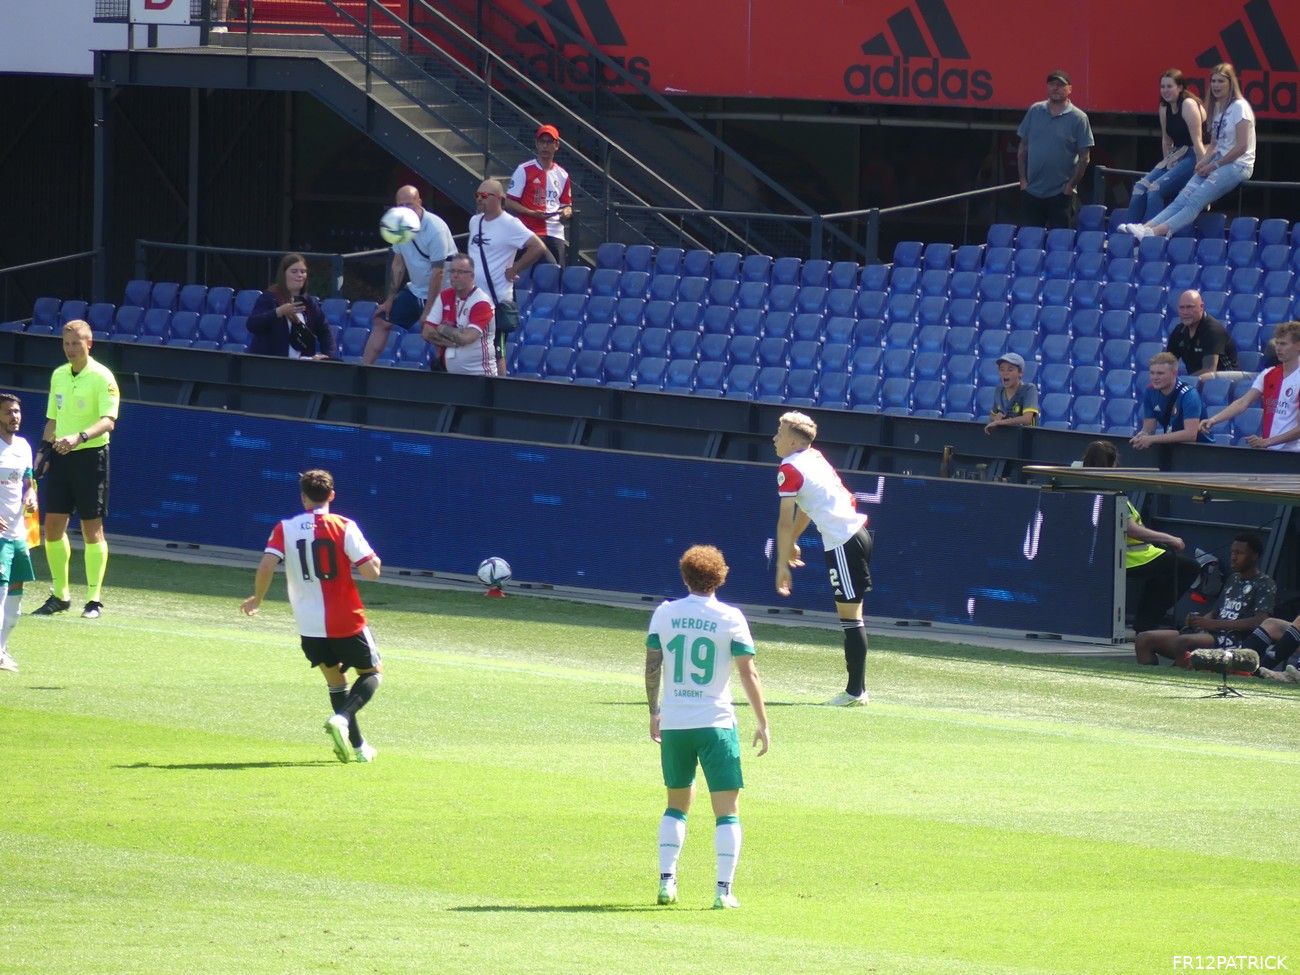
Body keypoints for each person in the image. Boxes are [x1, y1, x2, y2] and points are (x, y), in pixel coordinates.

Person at [645, 544, 769, 910]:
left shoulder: (665, 613)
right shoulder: (731, 617)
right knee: (727, 810)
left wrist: (654, 711)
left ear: (685, 576)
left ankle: (667, 882)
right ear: (721, 576)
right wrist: (763, 722)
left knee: (676, 805)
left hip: (676, 723)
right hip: (716, 723)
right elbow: (749, 671)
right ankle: (722, 890)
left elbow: (652, 666)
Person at [240, 469, 384, 764]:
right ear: (331, 495)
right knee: (373, 674)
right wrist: (374, 562)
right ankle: (342, 719)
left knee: (336, 682)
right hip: (346, 618)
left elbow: (267, 564)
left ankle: (357, 748)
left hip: (309, 624)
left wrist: (258, 598)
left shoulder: (285, 527)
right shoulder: (344, 525)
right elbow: (371, 573)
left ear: (303, 497)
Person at [772, 411, 873, 705]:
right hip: (856, 536)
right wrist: (792, 542)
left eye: (779, 433)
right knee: (853, 617)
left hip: (843, 542)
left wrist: (781, 563)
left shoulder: (788, 468)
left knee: (851, 619)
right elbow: (807, 507)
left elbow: (784, 520)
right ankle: (857, 690)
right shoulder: (813, 457)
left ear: (792, 441)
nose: (774, 439)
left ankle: (856, 692)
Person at [32, 320, 119, 620]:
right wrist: (43, 452)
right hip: (61, 457)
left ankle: (94, 599)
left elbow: (109, 421)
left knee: (91, 528)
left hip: (91, 457)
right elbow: (52, 421)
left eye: (76, 343)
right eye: (66, 344)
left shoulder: (102, 377)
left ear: (89, 343)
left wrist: (80, 436)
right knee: (52, 527)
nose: (70, 349)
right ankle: (60, 595)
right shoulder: (58, 375)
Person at [1119, 63, 1254, 240]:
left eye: (1221, 81)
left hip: (1238, 165)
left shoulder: (1239, 106)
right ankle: (1145, 227)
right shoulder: (1218, 109)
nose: (1216, 85)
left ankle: (1154, 233)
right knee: (1181, 199)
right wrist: (1203, 163)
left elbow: (1242, 146)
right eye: (1213, 81)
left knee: (1193, 201)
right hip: (1215, 162)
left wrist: (1214, 164)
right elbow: (1213, 144)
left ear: (1231, 83)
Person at [1080, 441, 1199, 633]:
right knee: (1189, 567)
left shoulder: (1078, 485)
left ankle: (1145, 625)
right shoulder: (1110, 492)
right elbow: (1131, 529)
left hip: (1113, 556)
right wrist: (1170, 539)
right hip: (1128, 559)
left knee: (1162, 574)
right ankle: (1146, 624)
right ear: (1112, 465)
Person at [1133, 533, 1274, 666]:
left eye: (1239, 553)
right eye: (1232, 552)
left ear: (1254, 556)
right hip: (1210, 634)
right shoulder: (1233, 579)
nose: (1233, 557)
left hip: (1234, 641)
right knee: (1143, 639)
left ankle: (1184, 677)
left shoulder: (1264, 583)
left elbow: (1260, 621)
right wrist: (1198, 622)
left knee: (1183, 643)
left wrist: (1212, 624)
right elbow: (1216, 611)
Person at [368, 185, 456, 365]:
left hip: (441, 293)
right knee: (381, 321)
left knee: (430, 332)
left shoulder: (435, 228)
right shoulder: (398, 225)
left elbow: (438, 272)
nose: (405, 210)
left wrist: (429, 310)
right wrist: (390, 299)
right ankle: (363, 370)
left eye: (410, 205)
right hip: (415, 290)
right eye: (401, 206)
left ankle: (456, 361)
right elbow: (398, 264)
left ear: (419, 203)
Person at [468, 179, 549, 375]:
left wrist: (515, 269)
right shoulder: (474, 221)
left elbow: (538, 246)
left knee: (497, 351)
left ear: (500, 199)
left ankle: (500, 392)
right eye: (477, 195)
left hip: (496, 300)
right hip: (471, 298)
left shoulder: (510, 224)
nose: (479, 199)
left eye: (484, 196)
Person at [1121, 69, 1207, 224]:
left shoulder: (1188, 104)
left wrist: (1203, 174)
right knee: (1140, 188)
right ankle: (1130, 234)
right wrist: (1168, 164)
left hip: (1194, 154)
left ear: (1180, 87)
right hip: (1176, 154)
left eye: (1169, 86)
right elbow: (1166, 140)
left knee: (1156, 189)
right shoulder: (1164, 107)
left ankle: (1151, 235)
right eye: (1163, 87)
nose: (1165, 90)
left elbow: (1198, 141)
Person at [1200, 320, 1300, 451]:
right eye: (1277, 343)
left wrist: (1267, 442)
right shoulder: (1268, 374)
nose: (1278, 348)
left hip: (1294, 454)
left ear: (1298, 346)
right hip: (1271, 452)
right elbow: (1242, 402)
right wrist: (1214, 420)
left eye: (1284, 344)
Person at [1016, 70, 1094, 229]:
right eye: (1052, 84)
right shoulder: (1035, 110)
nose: (1056, 88)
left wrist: (1070, 186)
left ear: (1070, 89)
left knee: (1060, 244)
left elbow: (1085, 157)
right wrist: (1023, 181)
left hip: (1061, 194)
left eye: (1060, 85)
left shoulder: (1079, 118)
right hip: (1032, 192)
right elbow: (1023, 147)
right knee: (1029, 243)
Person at [0, 393, 38, 672]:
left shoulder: (24, 446)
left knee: (15, 598)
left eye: (17, 412)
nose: (15, 417)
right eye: (8, 412)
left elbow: (28, 481)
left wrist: (32, 493)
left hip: (17, 533)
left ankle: (1, 651)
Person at [506, 124, 573, 266]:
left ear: (556, 145)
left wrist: (567, 212)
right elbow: (509, 202)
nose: (545, 146)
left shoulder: (563, 174)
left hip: (555, 231)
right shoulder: (524, 169)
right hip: (530, 230)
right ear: (536, 144)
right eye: (542, 142)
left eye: (549, 142)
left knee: (558, 275)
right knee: (550, 268)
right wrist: (530, 212)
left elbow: (566, 204)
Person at [246, 253, 335, 360]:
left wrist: (328, 356)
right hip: (270, 365)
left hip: (301, 367)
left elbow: (325, 331)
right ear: (283, 274)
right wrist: (278, 312)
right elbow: (252, 324)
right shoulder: (269, 298)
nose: (300, 275)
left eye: (303, 272)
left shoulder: (309, 302)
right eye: (294, 271)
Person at [423, 254, 497, 376]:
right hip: (449, 375)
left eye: (461, 272)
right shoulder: (445, 296)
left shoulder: (481, 302)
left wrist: (441, 328)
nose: (455, 275)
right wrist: (451, 342)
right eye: (452, 271)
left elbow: (466, 338)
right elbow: (426, 332)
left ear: (472, 276)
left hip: (479, 375)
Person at [1131, 351, 1211, 449]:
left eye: (1160, 373)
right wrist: (1143, 435)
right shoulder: (1150, 391)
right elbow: (1149, 428)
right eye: (1152, 373)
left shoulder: (1189, 395)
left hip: (1200, 451)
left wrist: (1151, 439)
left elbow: (1190, 435)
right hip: (1172, 448)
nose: (1155, 378)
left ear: (1174, 373)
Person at [1165, 290, 1237, 378]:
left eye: (1190, 307)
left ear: (1201, 307)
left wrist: (1182, 382)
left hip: (1225, 382)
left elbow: (1209, 370)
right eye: (1182, 308)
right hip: (1197, 381)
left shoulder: (1213, 330)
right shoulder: (1179, 331)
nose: (1185, 312)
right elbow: (1167, 362)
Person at [983, 352, 1039, 434]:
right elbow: (992, 415)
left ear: (1020, 373)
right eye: (1002, 369)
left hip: (1027, 439)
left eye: (1010, 369)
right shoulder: (999, 390)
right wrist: (996, 418)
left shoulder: (1029, 389)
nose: (1005, 373)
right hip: (1006, 439)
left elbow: (1027, 419)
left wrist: (1000, 422)